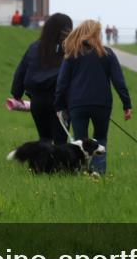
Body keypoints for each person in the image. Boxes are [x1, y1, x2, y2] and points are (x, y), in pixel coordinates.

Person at [55, 20, 133, 177]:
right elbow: (119, 81)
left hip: (77, 105)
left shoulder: (71, 54)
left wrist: (59, 106)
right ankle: (98, 173)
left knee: (79, 141)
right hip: (102, 105)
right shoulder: (107, 53)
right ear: (97, 34)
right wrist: (127, 104)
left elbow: (61, 83)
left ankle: (81, 172)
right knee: (101, 138)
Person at [10, 13, 73, 145]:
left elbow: (21, 71)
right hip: (59, 102)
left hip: (37, 101)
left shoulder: (35, 47)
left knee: (44, 138)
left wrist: (17, 93)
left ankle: (42, 165)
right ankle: (58, 165)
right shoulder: (68, 50)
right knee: (60, 141)